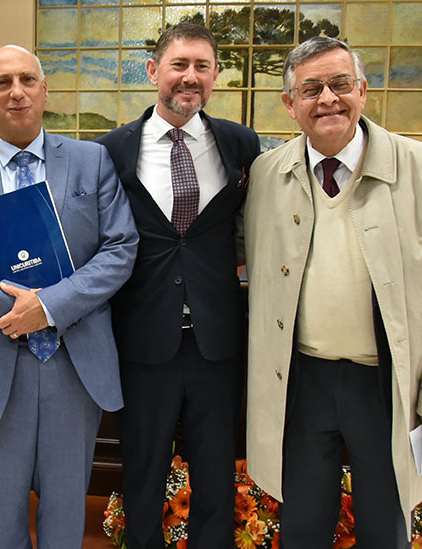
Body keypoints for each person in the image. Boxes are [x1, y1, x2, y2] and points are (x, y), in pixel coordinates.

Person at [243, 36, 422, 547]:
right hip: (302, 380)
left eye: (340, 84)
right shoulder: (266, 174)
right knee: (302, 525)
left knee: (385, 527)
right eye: (311, 89)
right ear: (290, 104)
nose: (328, 98)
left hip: (388, 386)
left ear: (363, 91)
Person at [0, 45, 138, 548]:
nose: (16, 92)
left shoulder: (91, 161)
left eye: (27, 80)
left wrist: (50, 307)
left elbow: (120, 248)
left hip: (73, 364)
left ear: (44, 90)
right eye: (2, 83)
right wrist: (15, 307)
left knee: (65, 511)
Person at [95, 22, 259, 548]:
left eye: (202, 67)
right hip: (143, 343)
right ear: (153, 71)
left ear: (215, 75)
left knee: (216, 475)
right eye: (179, 65)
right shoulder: (110, 151)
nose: (190, 77)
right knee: (143, 474)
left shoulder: (240, 144)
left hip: (218, 343)